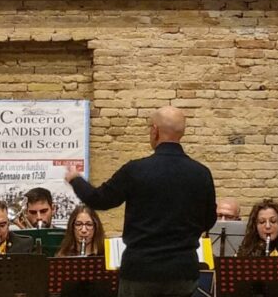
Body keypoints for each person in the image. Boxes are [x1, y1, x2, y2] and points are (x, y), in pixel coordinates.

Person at [65, 106, 216, 297]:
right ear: (182, 133)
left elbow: (99, 200)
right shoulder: (201, 173)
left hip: (140, 271)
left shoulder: (135, 170)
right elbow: (209, 220)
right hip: (183, 270)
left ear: (155, 130)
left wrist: (75, 180)